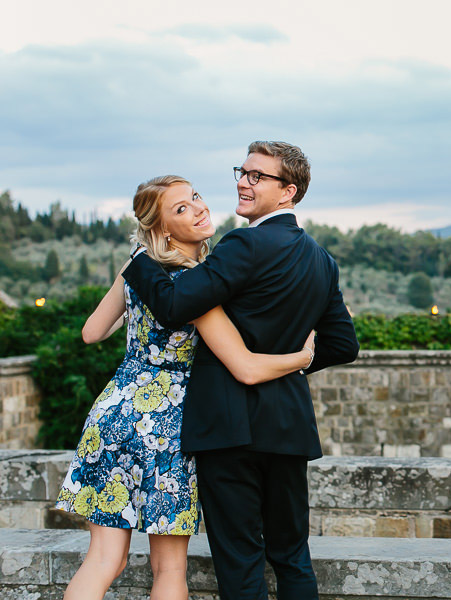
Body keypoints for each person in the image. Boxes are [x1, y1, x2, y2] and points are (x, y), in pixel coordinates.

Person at [56, 175, 319, 600]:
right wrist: (302, 357)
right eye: (180, 208)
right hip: (170, 425)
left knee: (104, 560)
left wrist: (137, 317)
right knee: (169, 569)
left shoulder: (136, 270)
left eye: (194, 197)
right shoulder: (199, 290)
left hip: (114, 414)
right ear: (162, 229)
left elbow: (90, 333)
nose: (197, 207)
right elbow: (245, 366)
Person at [122, 141, 359, 600]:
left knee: (241, 561)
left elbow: (173, 306)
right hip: (288, 427)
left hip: (229, 430)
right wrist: (294, 363)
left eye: (257, 176)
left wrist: (139, 262)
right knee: (292, 558)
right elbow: (343, 345)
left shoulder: (244, 243)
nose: (242, 182)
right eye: (242, 172)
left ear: (288, 192)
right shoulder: (322, 261)